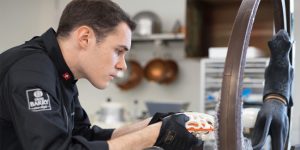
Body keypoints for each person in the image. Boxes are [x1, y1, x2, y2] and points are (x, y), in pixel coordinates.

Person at [0, 0, 200, 150]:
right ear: (85, 38)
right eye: (118, 51)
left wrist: (153, 125)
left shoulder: (61, 73)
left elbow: (83, 136)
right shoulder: (32, 71)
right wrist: (153, 135)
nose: (122, 65)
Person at [251, 29, 293, 150]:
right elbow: (289, 98)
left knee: (254, 145)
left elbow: (266, 89)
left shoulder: (268, 69)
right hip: (280, 106)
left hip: (266, 105)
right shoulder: (289, 70)